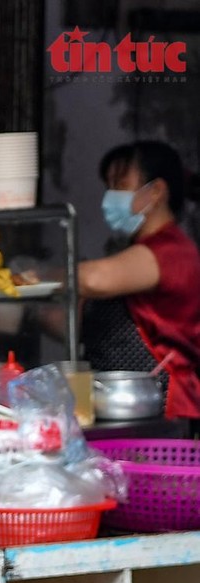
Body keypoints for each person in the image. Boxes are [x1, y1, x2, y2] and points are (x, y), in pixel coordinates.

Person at [79, 140, 200, 430]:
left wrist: (35, 277)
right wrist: (24, 316)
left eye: (120, 183)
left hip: (169, 411)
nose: (111, 196)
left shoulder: (171, 251)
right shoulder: (135, 252)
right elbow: (87, 324)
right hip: (121, 408)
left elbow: (92, 279)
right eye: (108, 185)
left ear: (156, 191)